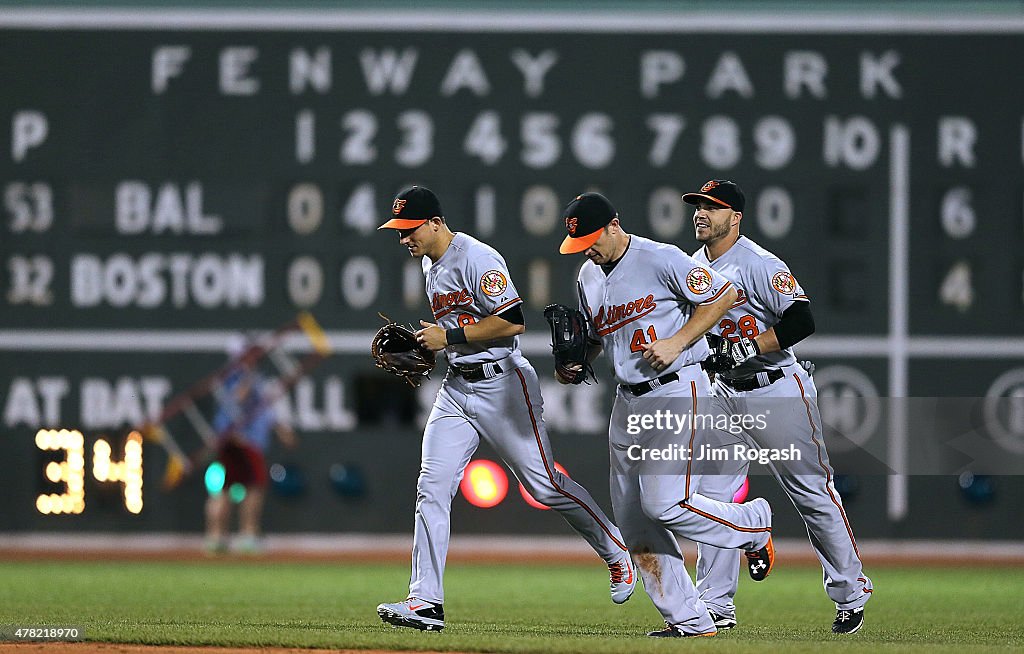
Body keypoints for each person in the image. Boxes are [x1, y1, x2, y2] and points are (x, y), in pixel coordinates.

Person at [374, 186, 635, 632]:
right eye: (398, 231)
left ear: (435, 222)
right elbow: (460, 327)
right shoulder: (428, 263)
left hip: (503, 385)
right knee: (432, 487)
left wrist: (450, 336)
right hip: (457, 388)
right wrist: (437, 347)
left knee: (546, 486)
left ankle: (614, 548)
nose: (403, 238)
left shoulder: (478, 258)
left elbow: (514, 321)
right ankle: (425, 602)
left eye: (409, 228)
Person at [556, 192, 775, 638]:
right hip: (627, 398)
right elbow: (598, 336)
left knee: (663, 502)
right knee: (633, 518)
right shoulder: (588, 275)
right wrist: (576, 361)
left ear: (614, 225)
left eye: (593, 240)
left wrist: (679, 340)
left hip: (676, 388)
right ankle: (688, 619)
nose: (589, 251)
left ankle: (752, 525)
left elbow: (723, 294)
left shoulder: (659, 257)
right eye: (581, 246)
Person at [683, 179, 873, 634]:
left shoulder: (759, 263)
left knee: (811, 493)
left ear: (736, 217)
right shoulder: (691, 267)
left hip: (776, 390)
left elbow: (802, 318)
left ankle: (850, 592)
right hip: (724, 392)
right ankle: (715, 604)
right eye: (698, 206)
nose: (701, 213)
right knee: (713, 499)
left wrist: (751, 348)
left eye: (713, 207)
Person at [204, 336, 297, 555]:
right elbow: (238, 399)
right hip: (242, 441)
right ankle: (243, 534)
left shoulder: (252, 379)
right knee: (251, 488)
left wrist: (282, 431)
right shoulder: (236, 377)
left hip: (238, 440)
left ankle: (220, 537)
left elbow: (266, 411)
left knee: (228, 489)